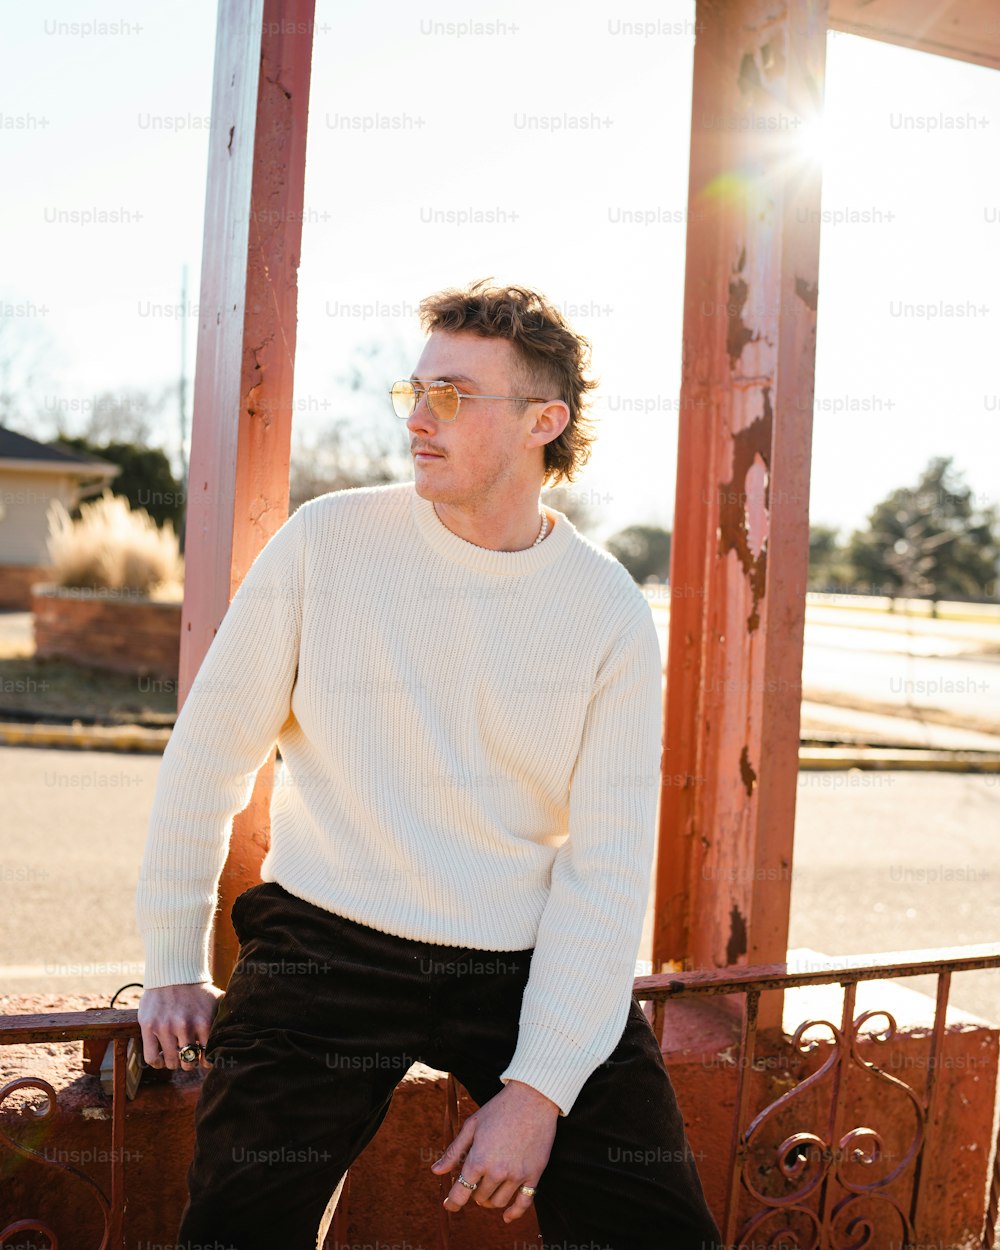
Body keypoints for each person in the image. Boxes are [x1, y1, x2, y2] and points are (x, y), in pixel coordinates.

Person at [135, 278, 722, 1250]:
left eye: (451, 395)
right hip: (327, 943)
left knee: (658, 1227)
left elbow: (607, 862)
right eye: (413, 392)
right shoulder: (326, 542)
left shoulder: (605, 607)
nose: (417, 418)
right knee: (238, 1224)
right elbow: (208, 758)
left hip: (524, 958)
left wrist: (538, 1088)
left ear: (544, 420)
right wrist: (170, 963)